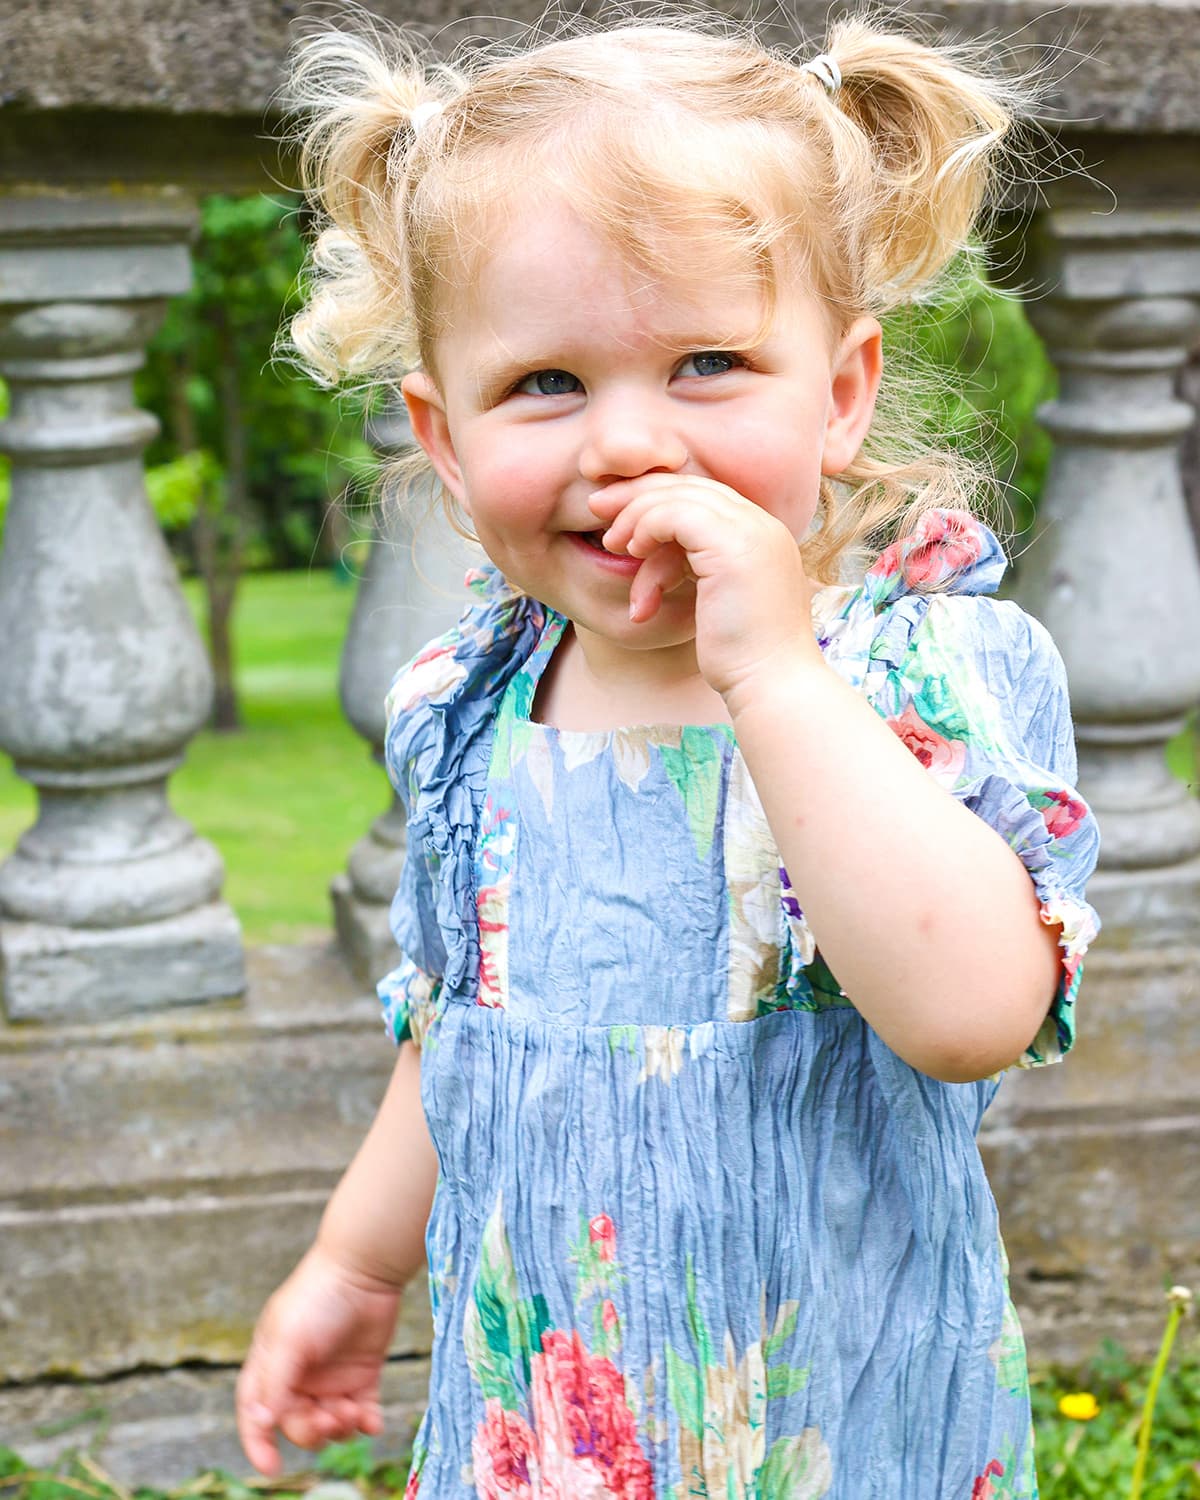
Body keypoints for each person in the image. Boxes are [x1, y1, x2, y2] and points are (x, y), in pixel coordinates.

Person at [236, 11, 1101, 1498]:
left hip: (845, 1418)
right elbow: (462, 1029)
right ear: (444, 439)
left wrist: (770, 673)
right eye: (546, 384)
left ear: (838, 394)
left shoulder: (915, 674)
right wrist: (353, 1265)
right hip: (550, 1422)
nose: (628, 442)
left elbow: (973, 1016)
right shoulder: (469, 707)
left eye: (708, 362)